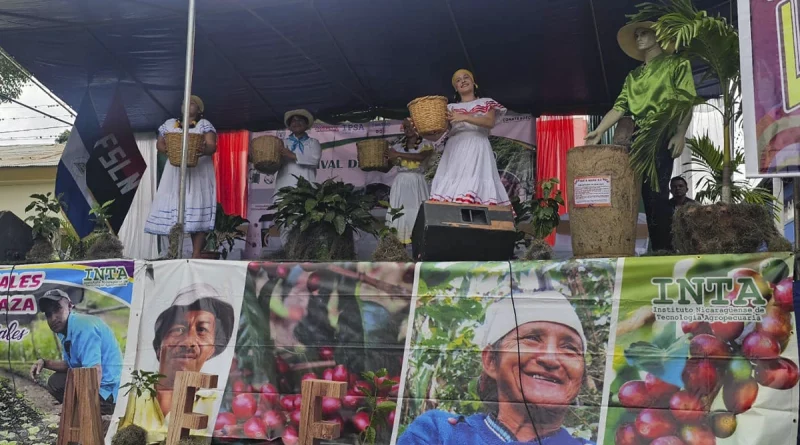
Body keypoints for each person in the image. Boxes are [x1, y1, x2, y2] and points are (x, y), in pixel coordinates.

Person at [398, 290, 594, 445]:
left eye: (569, 348)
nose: (551, 359)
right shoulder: (438, 433)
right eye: (532, 338)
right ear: (491, 360)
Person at [585, 22, 697, 252]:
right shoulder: (633, 76)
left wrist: (680, 133)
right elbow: (619, 107)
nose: (639, 38)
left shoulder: (676, 64)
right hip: (637, 137)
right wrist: (600, 130)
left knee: (656, 192)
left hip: (662, 133)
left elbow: (686, 100)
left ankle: (663, 247)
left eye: (643, 33)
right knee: (636, 193)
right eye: (636, 35)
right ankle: (638, 246)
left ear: (658, 36)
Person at [121, 283, 235, 442]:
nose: (188, 341)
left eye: (202, 330)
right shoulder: (131, 395)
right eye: (178, 329)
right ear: (159, 344)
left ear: (213, 349)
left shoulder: (220, 405)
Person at [418, 69, 510, 207]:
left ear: (474, 83)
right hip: (455, 148)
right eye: (458, 80)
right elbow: (438, 134)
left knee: (474, 181)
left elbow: (489, 122)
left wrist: (464, 117)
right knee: (454, 182)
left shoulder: (486, 102)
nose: (463, 81)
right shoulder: (449, 108)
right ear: (456, 88)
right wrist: (422, 131)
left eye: (466, 77)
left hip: (477, 145)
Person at [144, 95, 218, 258]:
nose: (188, 105)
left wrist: (198, 151)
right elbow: (160, 143)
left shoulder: (204, 125)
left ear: (199, 110)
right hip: (175, 171)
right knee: (173, 206)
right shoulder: (170, 124)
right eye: (185, 102)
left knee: (196, 208)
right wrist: (171, 151)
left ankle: (196, 253)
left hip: (198, 172)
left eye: (192, 103)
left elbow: (212, 146)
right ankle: (173, 251)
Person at [30, 289, 122, 415]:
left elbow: (94, 371)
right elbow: (72, 364)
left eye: (57, 309)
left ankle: (94, 411)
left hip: (109, 392)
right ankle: (79, 409)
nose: (53, 318)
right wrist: (44, 362)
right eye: (48, 314)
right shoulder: (66, 329)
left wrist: (87, 411)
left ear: (69, 306)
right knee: (56, 382)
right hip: (97, 382)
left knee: (62, 386)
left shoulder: (83, 327)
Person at [273, 109, 322, 245]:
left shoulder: (313, 143)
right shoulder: (280, 143)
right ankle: (287, 255)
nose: (296, 123)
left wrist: (292, 155)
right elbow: (272, 164)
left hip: (306, 191)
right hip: (284, 190)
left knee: (305, 225)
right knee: (285, 224)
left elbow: (315, 160)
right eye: (293, 120)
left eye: (300, 120)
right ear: (289, 125)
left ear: (307, 124)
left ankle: (302, 256)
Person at [386, 118, 434, 243]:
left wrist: (398, 155)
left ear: (418, 127)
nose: (408, 130)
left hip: (417, 181)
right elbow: (386, 167)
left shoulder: (426, 145)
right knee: (399, 213)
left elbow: (420, 157)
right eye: (406, 127)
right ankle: (398, 249)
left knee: (417, 211)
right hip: (401, 183)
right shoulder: (397, 146)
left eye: (411, 126)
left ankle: (418, 248)